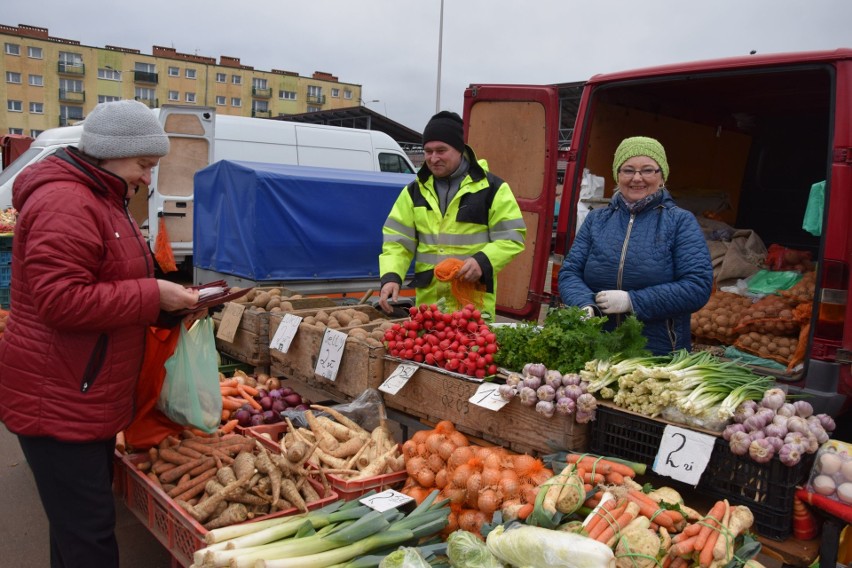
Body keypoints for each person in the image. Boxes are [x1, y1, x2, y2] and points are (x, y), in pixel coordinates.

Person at [0, 99, 200, 568]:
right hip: (59, 398)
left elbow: (110, 285)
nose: (148, 179)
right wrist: (153, 296)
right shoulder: (66, 201)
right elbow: (61, 300)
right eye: (144, 165)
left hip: (83, 392)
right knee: (89, 538)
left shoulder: (103, 198)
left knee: (75, 532)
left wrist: (167, 308)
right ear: (110, 152)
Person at [558, 136, 713, 355]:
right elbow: (570, 272)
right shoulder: (597, 220)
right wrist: (584, 304)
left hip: (657, 354)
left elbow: (697, 286)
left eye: (648, 170)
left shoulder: (679, 222)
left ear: (662, 177)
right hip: (596, 348)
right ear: (617, 175)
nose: (637, 178)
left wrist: (633, 301)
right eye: (628, 170)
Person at [378, 111, 526, 318]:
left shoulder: (492, 189)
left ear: (459, 150)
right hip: (429, 308)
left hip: (473, 307)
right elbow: (397, 241)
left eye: (441, 150)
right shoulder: (413, 192)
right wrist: (391, 276)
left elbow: (512, 237)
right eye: (428, 151)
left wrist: (483, 261)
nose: (433, 158)